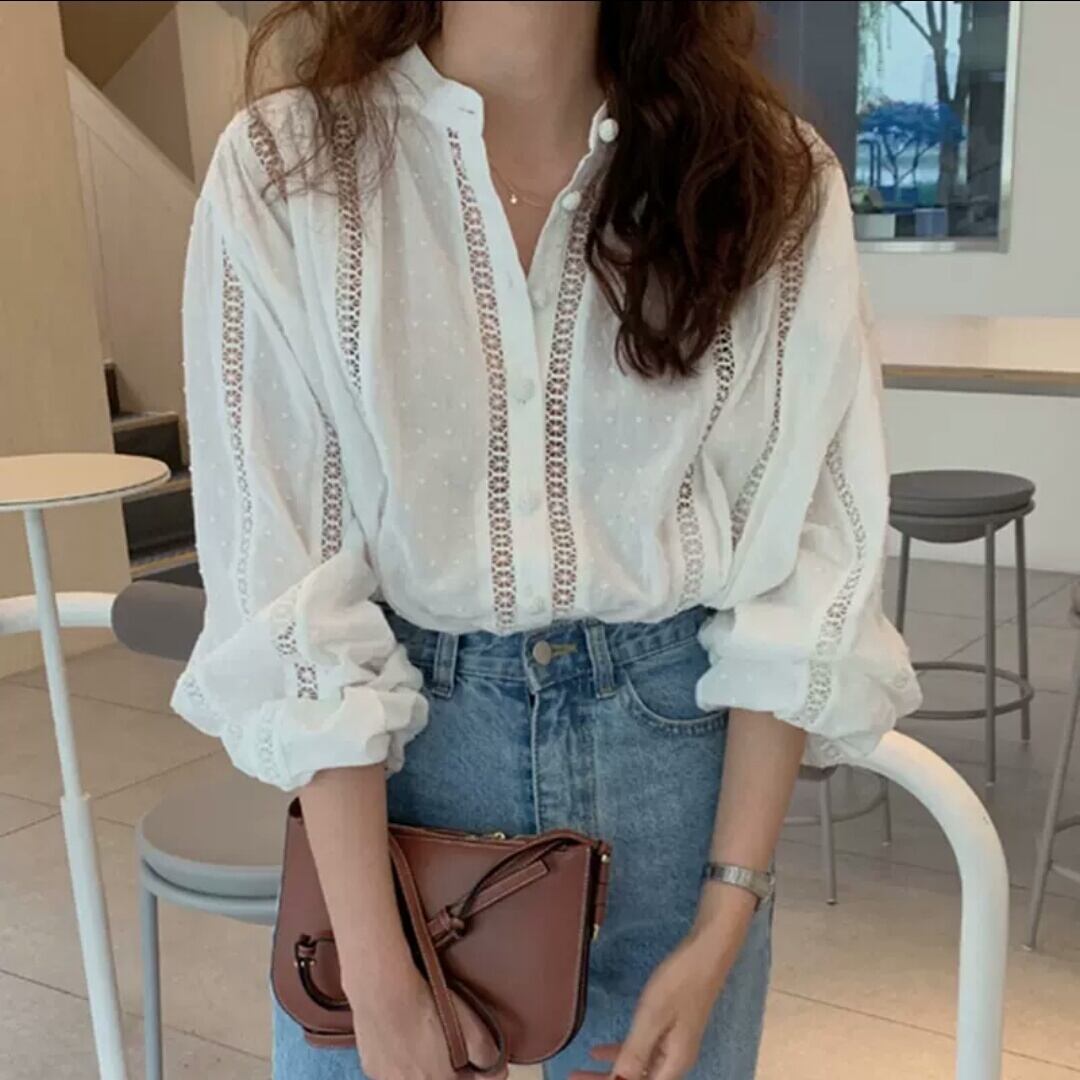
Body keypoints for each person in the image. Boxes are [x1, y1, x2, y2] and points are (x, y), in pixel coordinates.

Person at [172, 2, 921, 1077]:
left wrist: (726, 917)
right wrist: (378, 977)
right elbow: (285, 589)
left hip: (677, 777)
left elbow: (805, 559)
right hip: (396, 786)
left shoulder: (768, 177)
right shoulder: (291, 169)